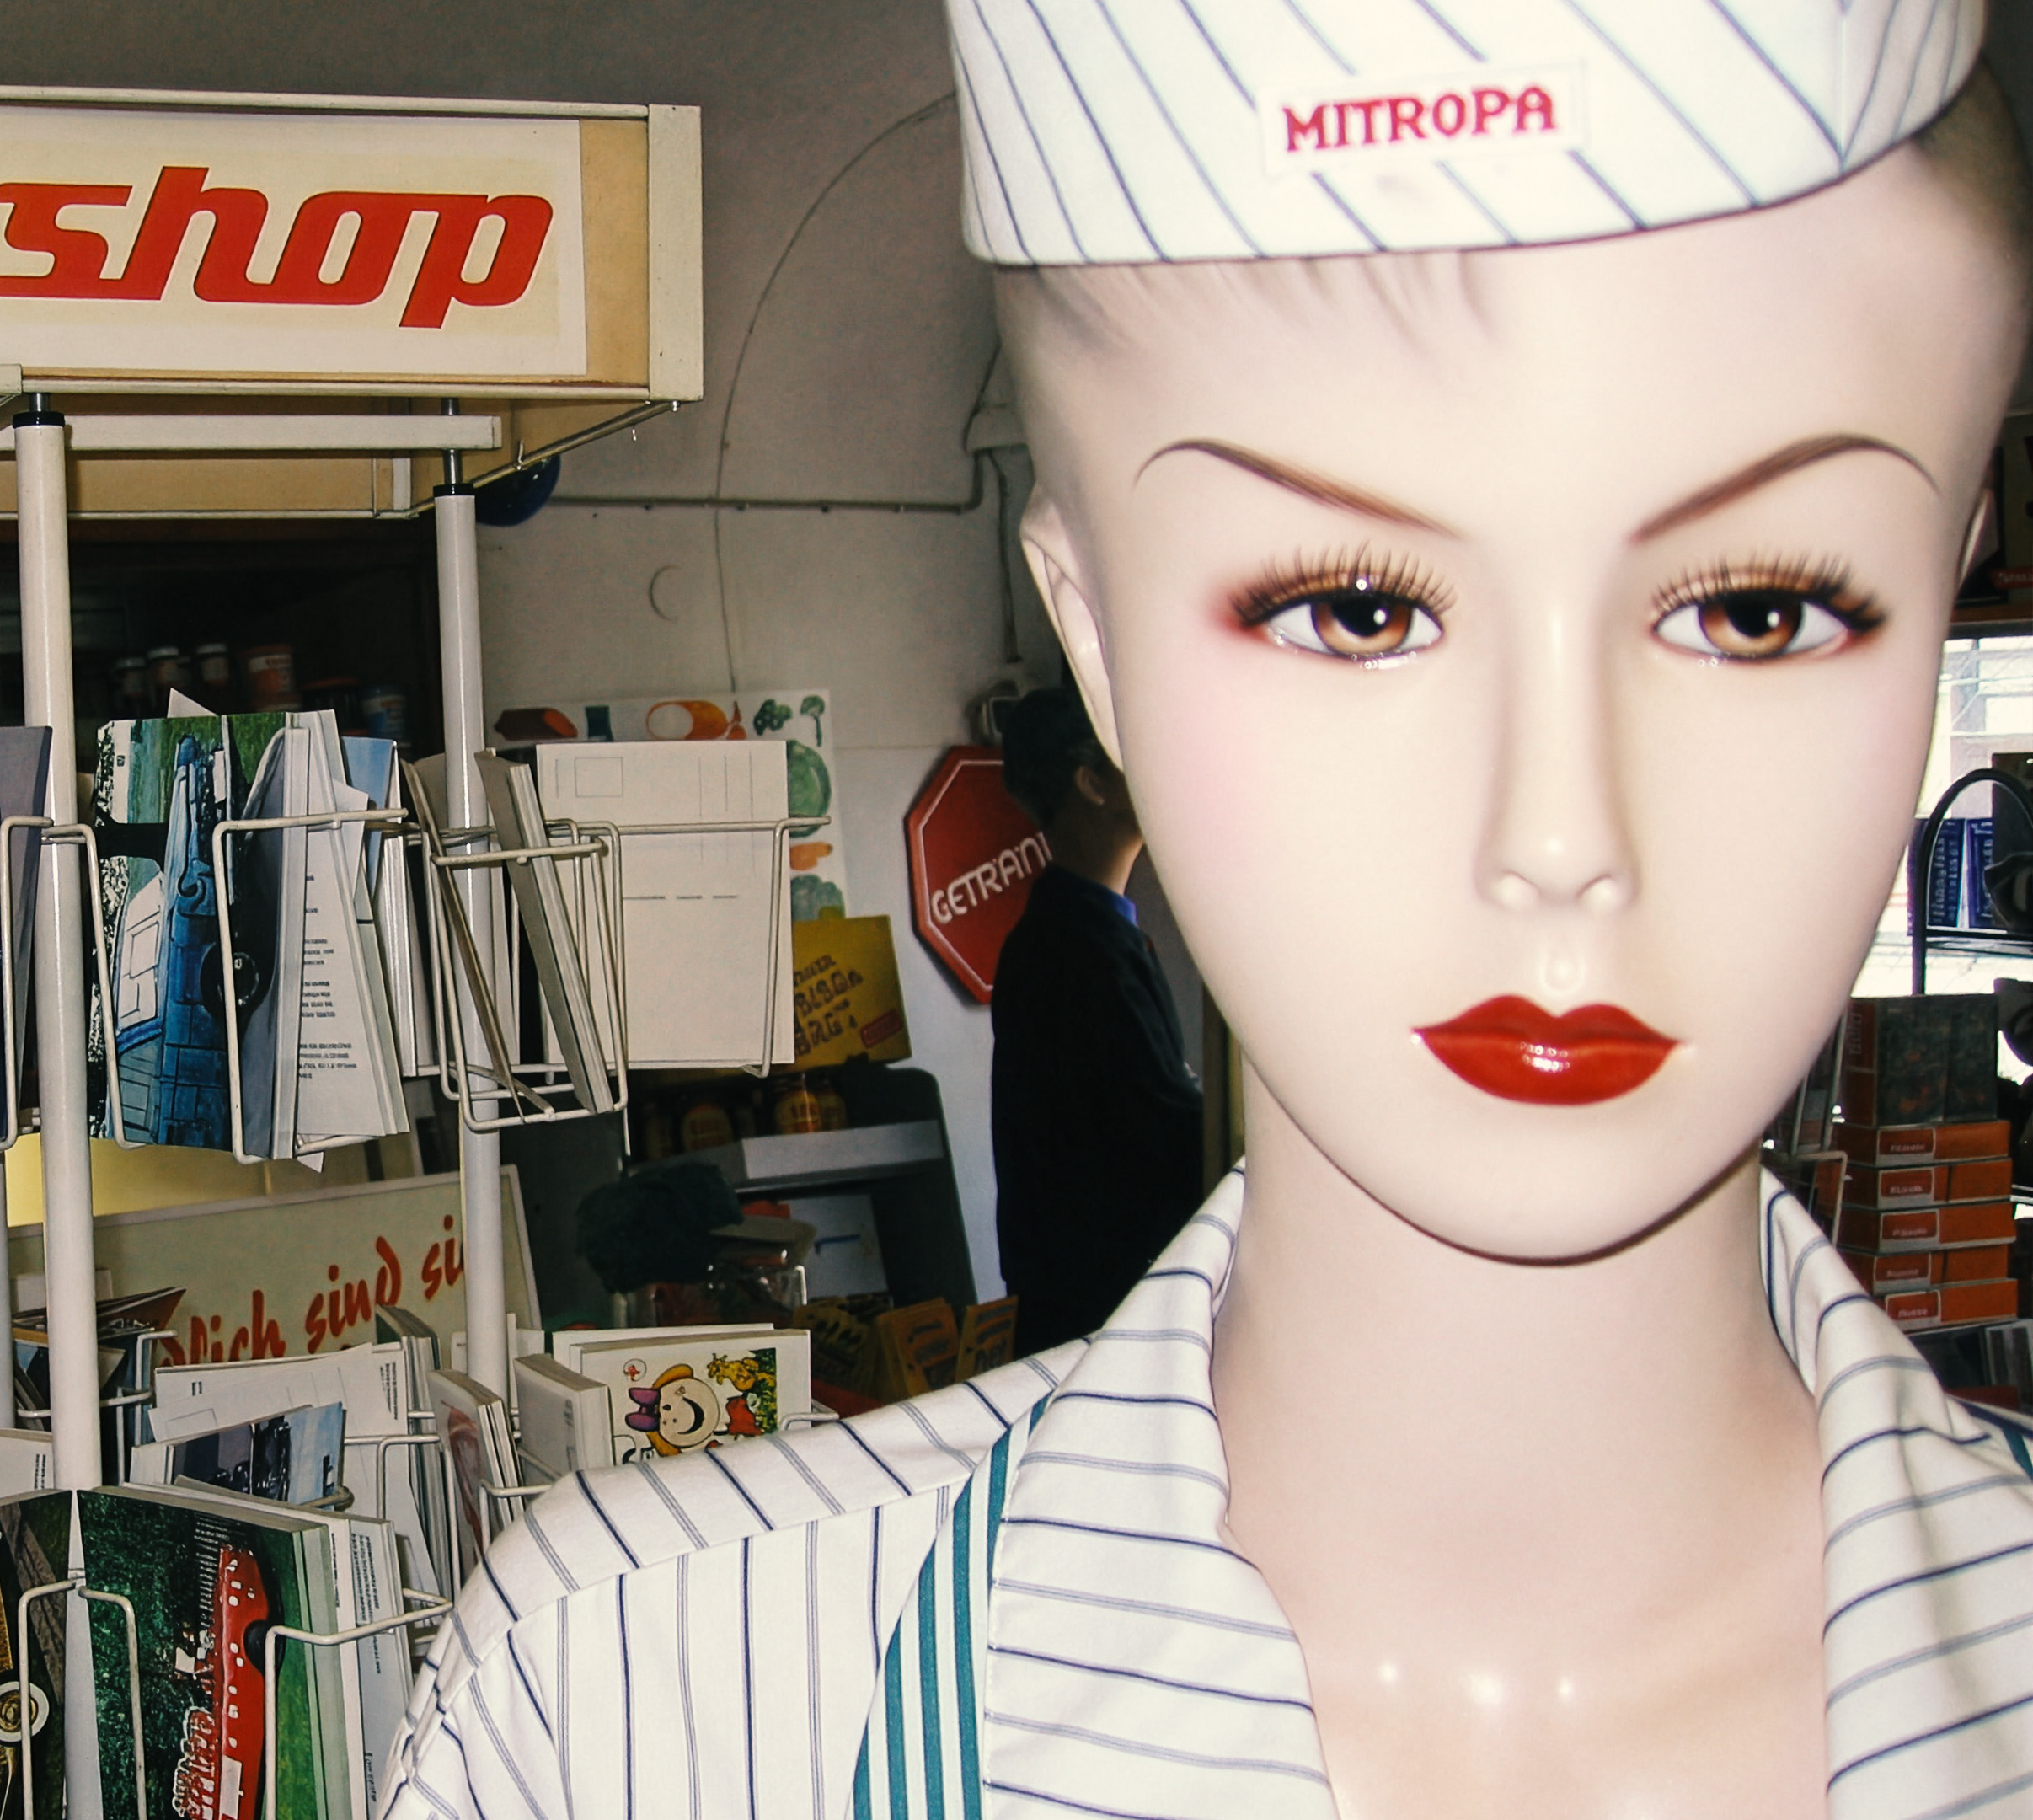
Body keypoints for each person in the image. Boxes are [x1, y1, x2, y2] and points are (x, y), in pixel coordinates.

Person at [379, 7, 2033, 1817]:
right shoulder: (637, 1708)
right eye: (1357, 612)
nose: (1560, 838)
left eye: (1757, 613)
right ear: (1091, 641)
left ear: (1946, 590)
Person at [989, 685, 1203, 1350]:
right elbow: (1161, 1130)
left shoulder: (1078, 934)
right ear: (1093, 783)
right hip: (1105, 1315)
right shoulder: (1079, 950)